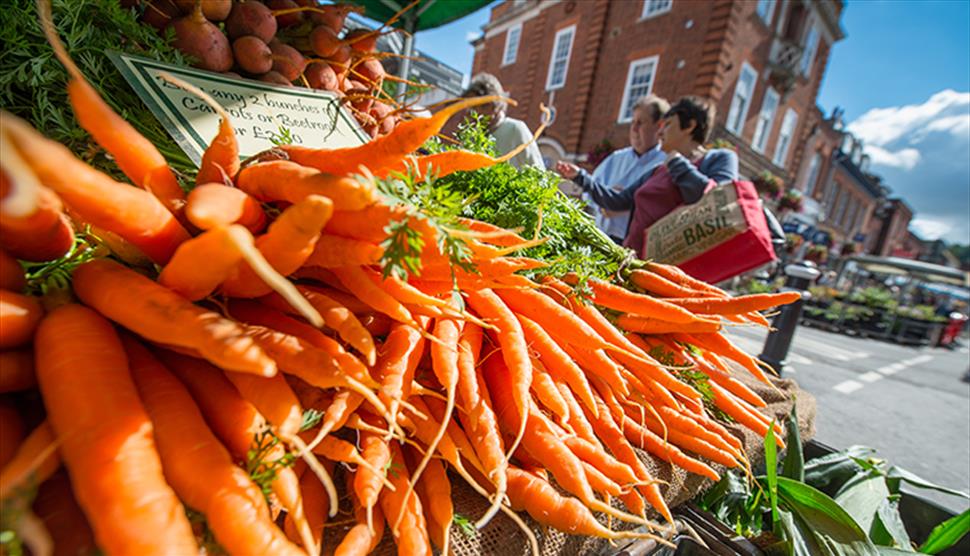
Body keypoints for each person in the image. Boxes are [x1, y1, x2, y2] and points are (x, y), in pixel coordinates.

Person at [624, 96, 739, 256]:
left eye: (668, 124)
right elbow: (620, 199)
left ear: (690, 126)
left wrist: (677, 163)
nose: (660, 132)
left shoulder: (719, 158)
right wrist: (581, 177)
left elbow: (720, 202)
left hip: (673, 268)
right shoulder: (660, 170)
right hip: (633, 258)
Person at [555, 95, 670, 243]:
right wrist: (603, 205)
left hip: (633, 247)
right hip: (600, 240)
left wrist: (623, 207)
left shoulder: (664, 165)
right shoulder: (615, 159)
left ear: (659, 126)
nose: (634, 129)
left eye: (640, 123)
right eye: (632, 122)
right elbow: (588, 194)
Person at [461, 73, 545, 170]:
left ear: (492, 106)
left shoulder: (515, 129)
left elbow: (539, 173)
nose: (469, 113)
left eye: (474, 107)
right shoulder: (471, 138)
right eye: (469, 107)